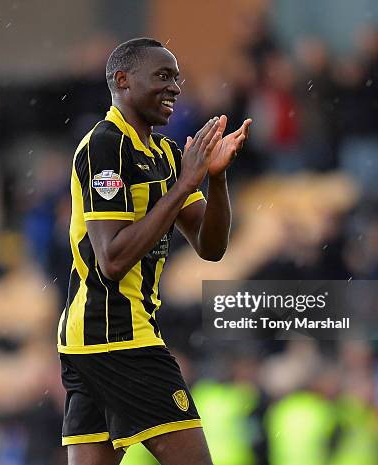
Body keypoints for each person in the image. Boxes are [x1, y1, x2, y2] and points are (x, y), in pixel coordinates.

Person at [57, 37, 252, 465]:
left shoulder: (165, 154)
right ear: (123, 81)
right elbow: (112, 259)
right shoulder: (106, 145)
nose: (176, 88)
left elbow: (211, 246)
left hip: (92, 340)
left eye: (177, 78)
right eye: (163, 76)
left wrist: (214, 180)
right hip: (117, 335)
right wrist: (185, 183)